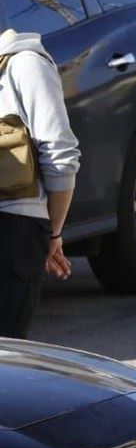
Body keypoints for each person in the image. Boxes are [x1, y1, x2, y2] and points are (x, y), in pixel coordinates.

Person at [0, 28, 80, 339]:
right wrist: (53, 233)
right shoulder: (29, 65)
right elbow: (60, 158)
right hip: (17, 230)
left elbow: (60, 156)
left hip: (13, 232)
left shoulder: (24, 63)